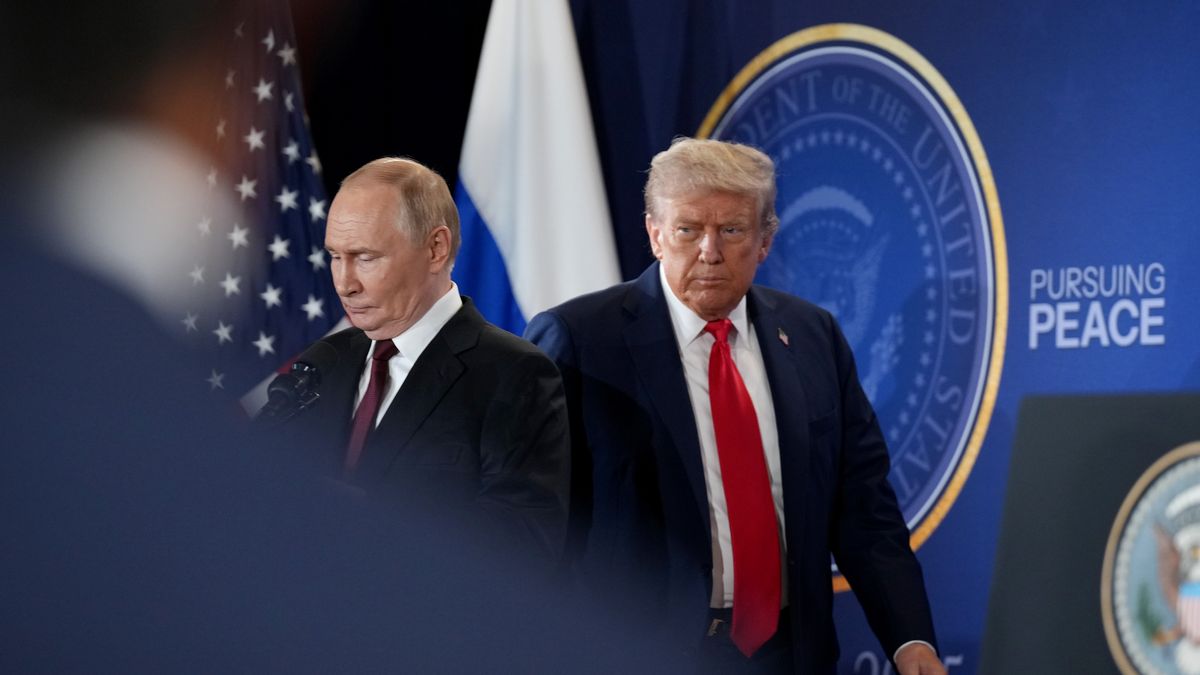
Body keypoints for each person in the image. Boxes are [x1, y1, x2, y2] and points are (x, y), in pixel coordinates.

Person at [525, 138, 946, 674]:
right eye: (687, 229)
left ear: (765, 241)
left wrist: (910, 640)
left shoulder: (814, 336)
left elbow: (864, 507)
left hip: (788, 655)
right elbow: (535, 525)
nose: (709, 251)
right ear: (655, 234)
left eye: (731, 230)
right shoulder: (580, 342)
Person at [282, 157, 571, 564]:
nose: (345, 283)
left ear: (436, 248)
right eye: (334, 256)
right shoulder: (323, 363)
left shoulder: (513, 374)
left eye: (365, 257)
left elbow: (525, 544)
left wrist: (365, 516)